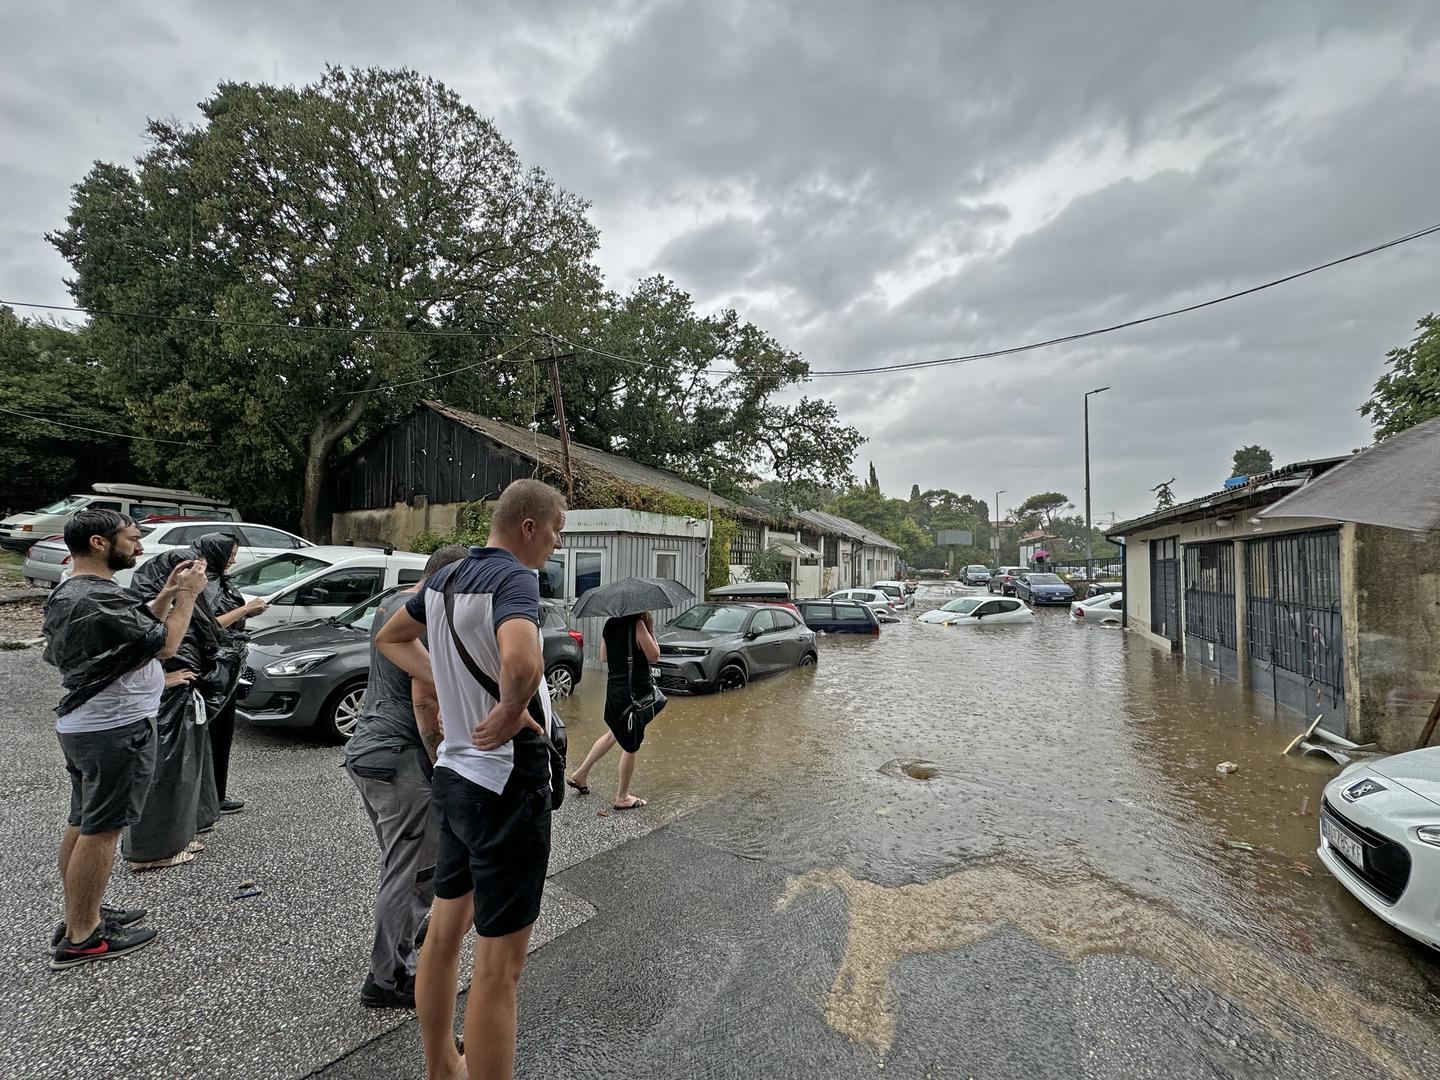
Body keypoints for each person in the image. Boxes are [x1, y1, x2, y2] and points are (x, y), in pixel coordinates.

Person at [377, 478, 565, 1080]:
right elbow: (523, 660)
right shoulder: (515, 578)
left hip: (454, 775)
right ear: (529, 526)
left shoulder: (444, 578)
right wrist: (510, 709)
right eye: (557, 529)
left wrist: (453, 684)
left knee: (444, 936)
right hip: (505, 784)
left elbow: (390, 639)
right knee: (498, 967)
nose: (557, 544)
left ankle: (441, 1067)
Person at [43, 509, 209, 969]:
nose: (139, 549)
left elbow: (137, 629)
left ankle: (84, 913)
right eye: (132, 539)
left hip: (91, 724)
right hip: (113, 729)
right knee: (102, 829)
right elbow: (165, 645)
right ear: (100, 543)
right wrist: (190, 597)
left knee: (84, 821)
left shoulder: (79, 589)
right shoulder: (93, 596)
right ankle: (83, 937)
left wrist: (169, 592)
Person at [345, 543, 467, 1010]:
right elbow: (425, 698)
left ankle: (402, 947)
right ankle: (388, 977)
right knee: (413, 871)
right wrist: (442, 765)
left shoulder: (392, 603)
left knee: (405, 865)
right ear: (446, 580)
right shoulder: (426, 616)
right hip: (400, 756)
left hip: (370, 749)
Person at [124, 534, 243, 870]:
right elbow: (161, 648)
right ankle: (151, 851)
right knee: (165, 772)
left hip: (180, 692)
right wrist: (165, 678)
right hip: (167, 699)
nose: (202, 579)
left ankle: (174, 836)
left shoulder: (161, 606)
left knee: (183, 769)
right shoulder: (151, 614)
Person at [194, 533, 269, 815]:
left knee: (221, 734)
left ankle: (216, 795)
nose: (234, 559)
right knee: (210, 733)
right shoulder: (205, 584)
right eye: (230, 554)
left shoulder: (219, 581)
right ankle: (204, 799)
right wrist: (245, 610)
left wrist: (245, 615)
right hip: (210, 669)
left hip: (226, 666)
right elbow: (208, 626)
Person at [566, 610, 661, 810]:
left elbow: (603, 657)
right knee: (630, 744)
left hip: (614, 690)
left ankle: (580, 774)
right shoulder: (637, 624)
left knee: (614, 734)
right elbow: (654, 656)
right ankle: (622, 797)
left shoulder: (610, 624)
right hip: (634, 693)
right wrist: (650, 628)